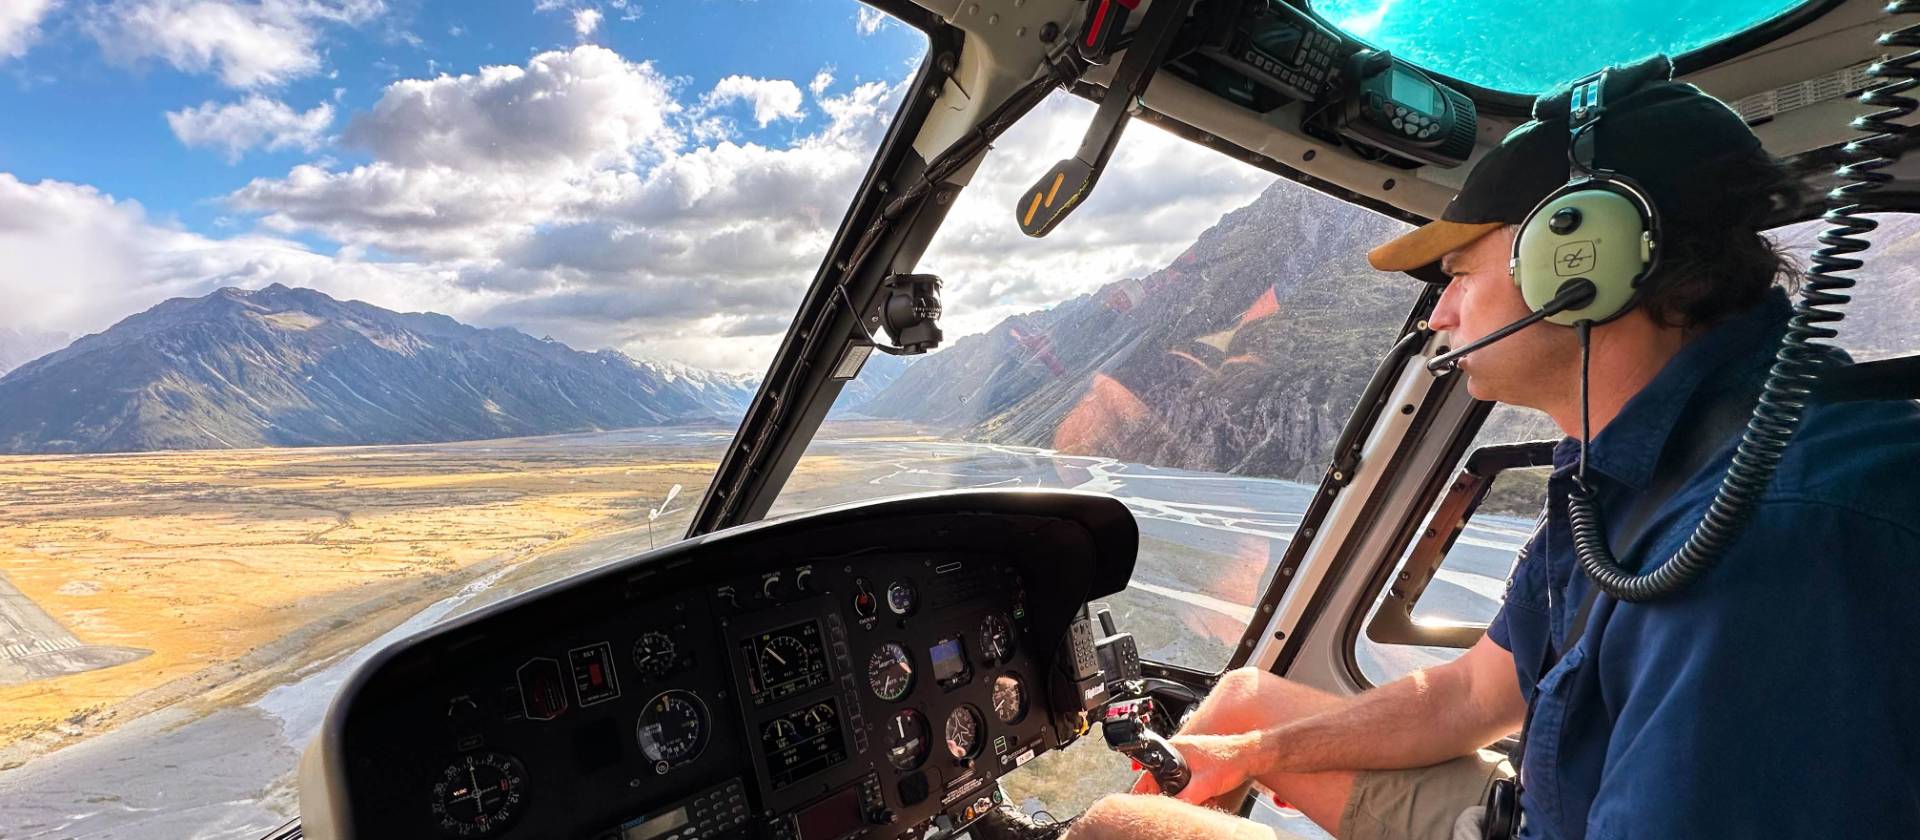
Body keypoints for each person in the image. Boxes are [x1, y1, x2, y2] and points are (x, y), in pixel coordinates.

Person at [1063, 74, 1920, 840]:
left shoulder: (1776, 540)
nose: (1439, 316)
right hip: (1543, 808)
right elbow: (1473, 696)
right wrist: (1253, 755)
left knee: (1118, 827)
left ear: (1580, 262)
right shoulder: (1621, 465)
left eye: (1459, 274)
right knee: (1245, 709)